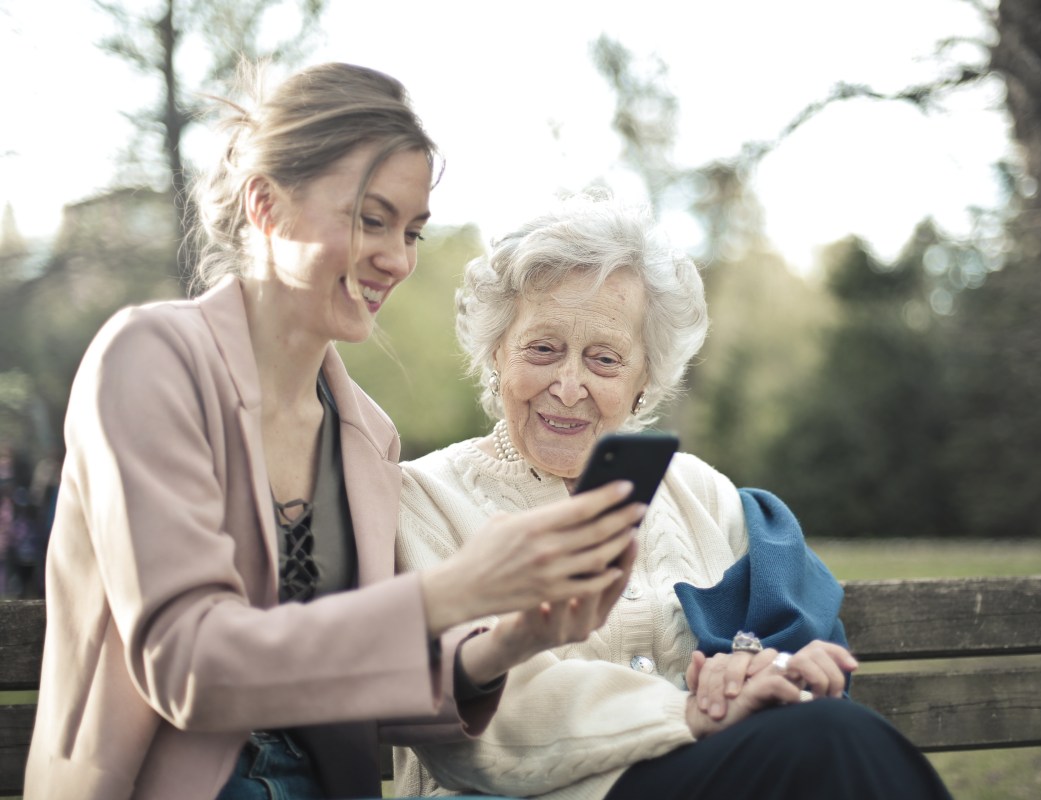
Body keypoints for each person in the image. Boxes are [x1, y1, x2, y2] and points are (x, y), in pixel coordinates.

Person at [24, 64, 643, 800]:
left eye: (412, 231)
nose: (399, 258)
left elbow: (353, 679)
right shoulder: (149, 360)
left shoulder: (366, 436)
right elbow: (187, 665)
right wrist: (449, 590)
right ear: (266, 205)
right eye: (369, 219)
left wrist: (510, 640)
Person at [392, 195, 953, 799]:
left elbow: (781, 643)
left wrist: (759, 672)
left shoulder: (705, 495)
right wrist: (687, 714)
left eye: (604, 359)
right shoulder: (422, 499)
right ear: (497, 354)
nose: (569, 385)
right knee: (835, 742)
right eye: (542, 349)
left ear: (643, 380)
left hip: (724, 779)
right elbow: (478, 716)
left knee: (833, 734)